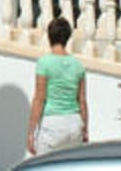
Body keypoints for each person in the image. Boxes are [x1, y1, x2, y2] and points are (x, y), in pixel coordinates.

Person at [26, 16, 87, 155]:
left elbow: (39, 99)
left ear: (49, 37)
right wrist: (85, 130)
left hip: (52, 124)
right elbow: (82, 101)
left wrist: (31, 132)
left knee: (44, 164)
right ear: (67, 38)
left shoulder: (44, 63)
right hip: (74, 123)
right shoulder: (78, 65)